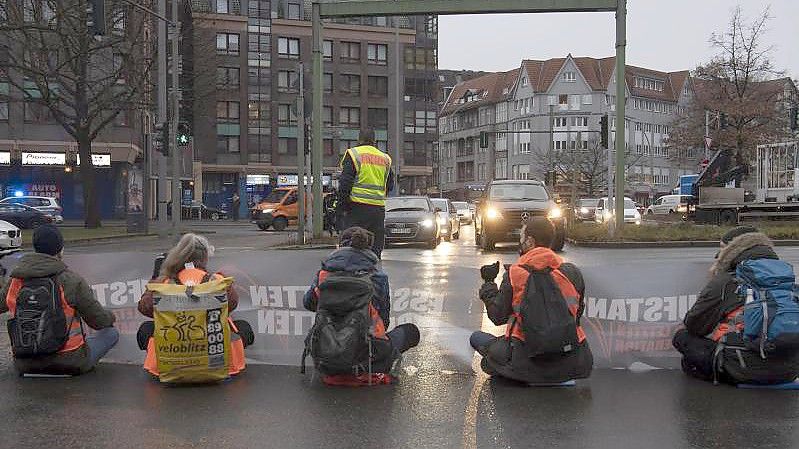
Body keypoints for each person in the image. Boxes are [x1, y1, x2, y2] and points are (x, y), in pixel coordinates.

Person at [470, 217, 592, 384]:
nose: (520, 242)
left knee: (477, 339)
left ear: (530, 241)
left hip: (524, 360)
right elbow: (577, 315)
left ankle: (517, 371)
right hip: (572, 362)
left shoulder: (516, 274)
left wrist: (489, 284)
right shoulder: (572, 273)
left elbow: (497, 317)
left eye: (521, 237)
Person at [673, 226, 799, 385]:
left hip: (742, 368)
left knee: (681, 336)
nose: (717, 255)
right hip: (790, 370)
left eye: (721, 248)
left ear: (732, 249)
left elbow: (695, 325)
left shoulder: (727, 281)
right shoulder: (784, 277)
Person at [303, 227, 419, 383]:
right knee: (411, 331)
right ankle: (378, 364)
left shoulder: (323, 274)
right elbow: (383, 321)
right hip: (368, 357)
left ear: (340, 246)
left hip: (326, 357)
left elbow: (308, 303)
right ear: (368, 248)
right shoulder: (378, 277)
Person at [0, 225, 119, 375]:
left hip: (25, 363)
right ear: (60, 250)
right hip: (69, 362)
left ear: (35, 247)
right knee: (111, 333)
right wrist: (111, 316)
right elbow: (99, 321)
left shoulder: (15, 281)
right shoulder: (71, 280)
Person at [137, 233, 253, 378]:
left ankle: (164, 362)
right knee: (243, 327)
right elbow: (232, 304)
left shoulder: (164, 283)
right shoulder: (218, 280)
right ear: (205, 257)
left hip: (170, 362)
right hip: (217, 359)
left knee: (146, 329)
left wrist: (157, 277)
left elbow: (144, 307)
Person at [337, 129, 394, 259]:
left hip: (356, 208)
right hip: (378, 210)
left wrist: (342, 207)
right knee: (375, 250)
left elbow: (345, 183)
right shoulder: (385, 158)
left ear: (359, 140)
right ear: (375, 141)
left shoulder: (354, 154)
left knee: (351, 247)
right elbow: (390, 184)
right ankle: (372, 274)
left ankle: (353, 275)